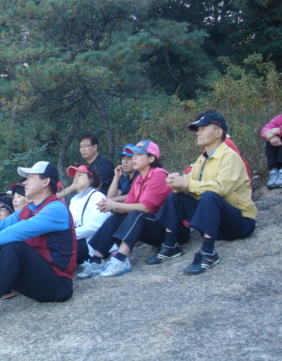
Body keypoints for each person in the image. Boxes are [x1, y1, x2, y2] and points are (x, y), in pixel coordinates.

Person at [0, 161, 76, 331]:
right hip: (34, 278)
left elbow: (20, 230)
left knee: (10, 245)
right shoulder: (29, 208)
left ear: (46, 182)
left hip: (57, 285)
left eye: (31, 177)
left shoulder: (56, 208)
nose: (25, 182)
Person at [146, 110, 257, 275]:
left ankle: (208, 252)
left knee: (210, 195)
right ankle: (170, 245)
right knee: (176, 197)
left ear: (218, 132)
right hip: (215, 223)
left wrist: (188, 183)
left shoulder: (230, 157)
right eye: (198, 129)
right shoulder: (202, 159)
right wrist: (176, 183)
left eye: (203, 128)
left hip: (239, 222)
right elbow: (191, 184)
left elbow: (220, 189)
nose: (198, 132)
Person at [81, 140, 172, 278]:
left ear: (151, 158)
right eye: (132, 155)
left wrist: (114, 205)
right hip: (152, 228)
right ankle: (97, 259)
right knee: (117, 216)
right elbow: (127, 206)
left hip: (169, 233)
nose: (133, 158)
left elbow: (145, 208)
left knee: (137, 214)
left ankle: (120, 258)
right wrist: (109, 208)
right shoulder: (139, 179)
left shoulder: (158, 174)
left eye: (138, 155)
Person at [66, 165, 111, 271]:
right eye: (74, 177)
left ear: (91, 178)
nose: (76, 179)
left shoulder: (98, 197)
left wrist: (68, 235)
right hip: (77, 239)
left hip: (91, 245)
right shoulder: (74, 200)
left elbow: (94, 227)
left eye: (80, 175)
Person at [261, 113, 282, 188]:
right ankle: (275, 170)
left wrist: (278, 130)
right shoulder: (279, 118)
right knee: (271, 141)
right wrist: (271, 137)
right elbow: (265, 130)